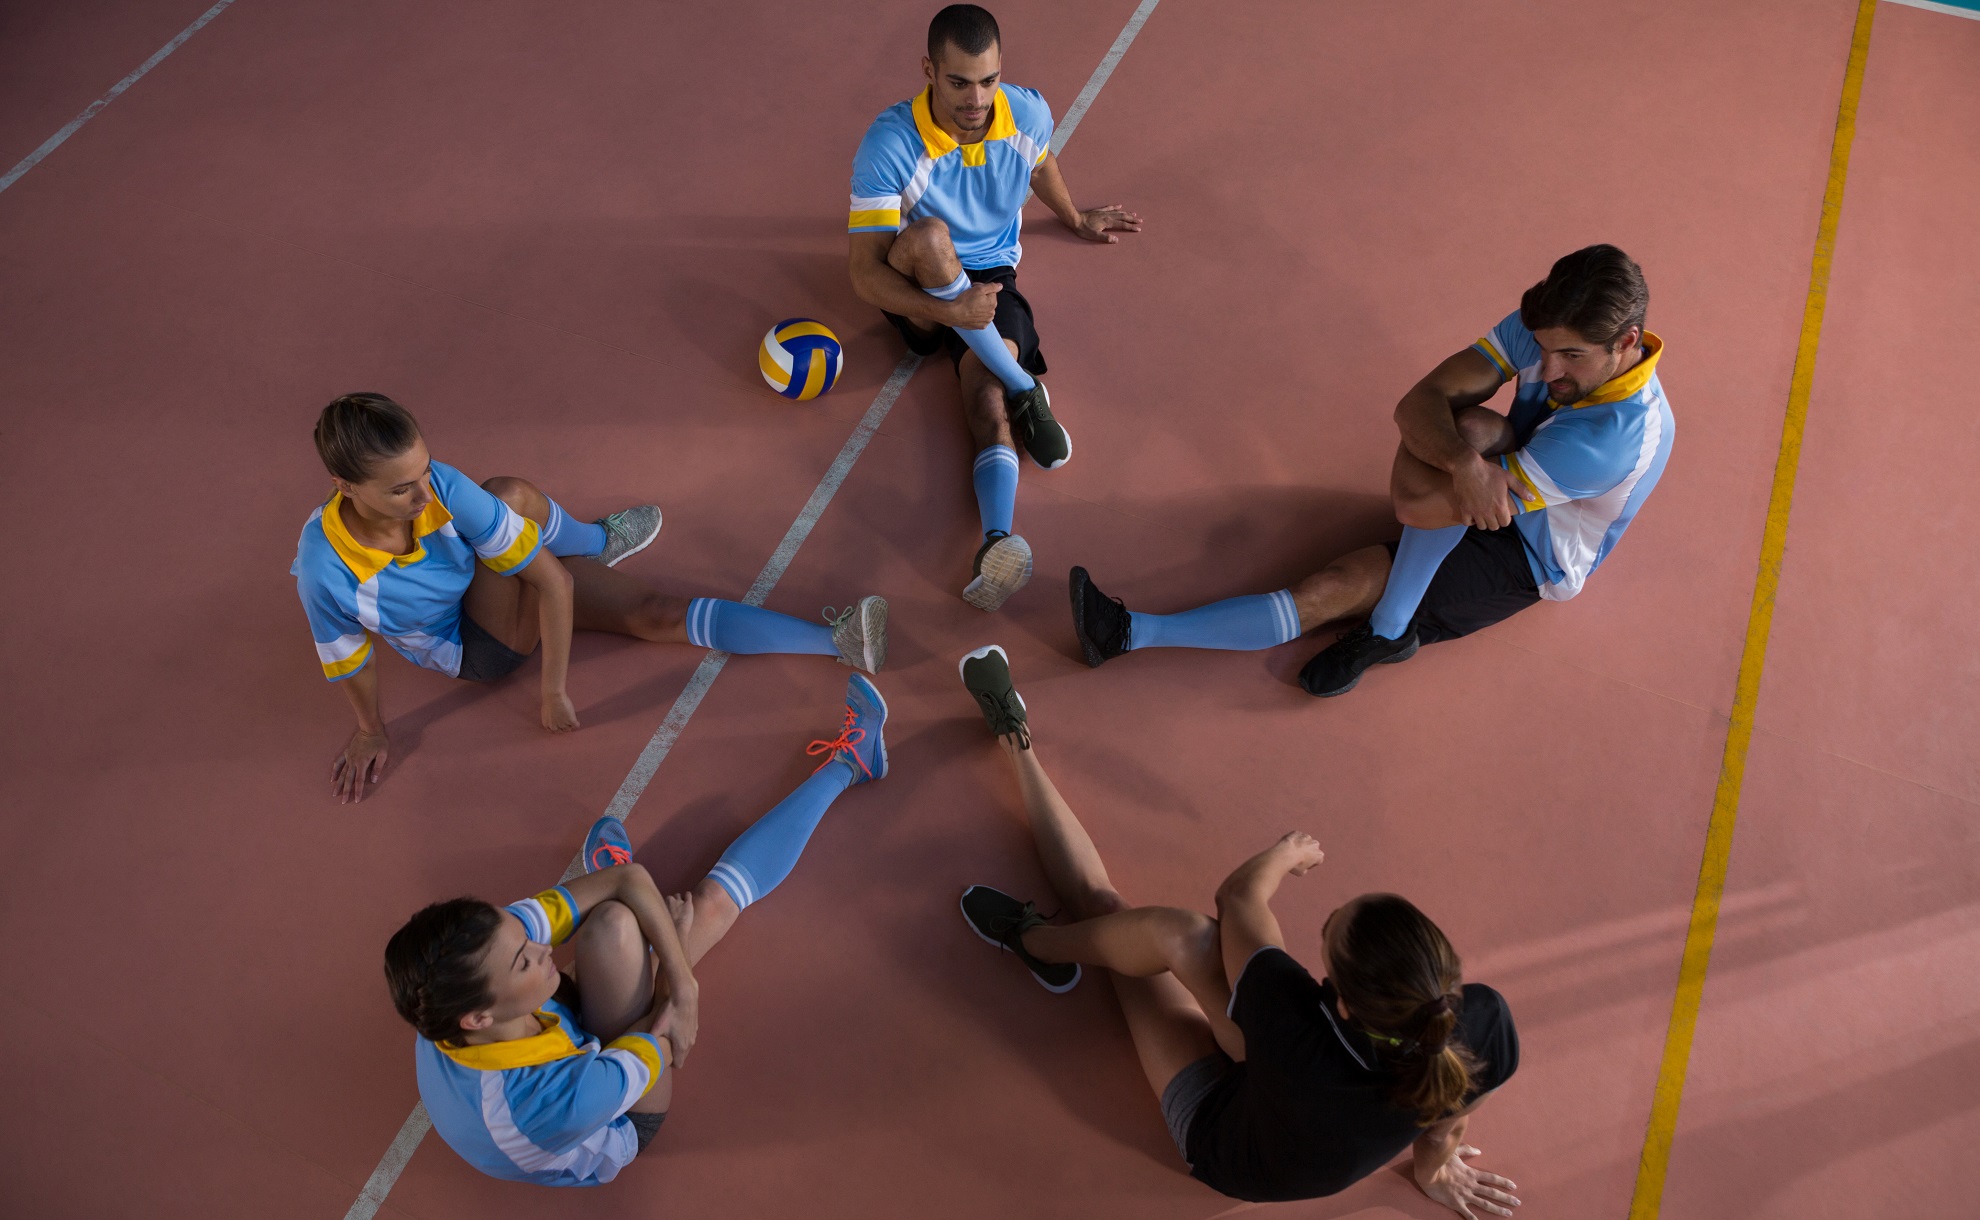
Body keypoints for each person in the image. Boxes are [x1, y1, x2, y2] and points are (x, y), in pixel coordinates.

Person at [953, 645, 1521, 1220]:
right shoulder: (1481, 1025)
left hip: (1228, 1138)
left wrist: (1287, 851)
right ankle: (1017, 748)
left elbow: (1238, 897)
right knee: (1184, 937)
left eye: (1328, 936)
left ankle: (1035, 942)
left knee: (1112, 910)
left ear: (1344, 1006)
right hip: (1290, 1084)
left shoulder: (1291, 1022)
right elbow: (1449, 1122)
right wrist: (1432, 1174)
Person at [1067, 245, 1674, 696]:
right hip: (1515, 463)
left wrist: (1439, 457)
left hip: (1533, 554)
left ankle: (1133, 632)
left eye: (1570, 357)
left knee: (1333, 586)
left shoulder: (1611, 440)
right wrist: (1463, 459)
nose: (1547, 365)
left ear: (1627, 342)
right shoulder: (1548, 329)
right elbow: (1415, 402)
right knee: (1474, 431)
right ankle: (1389, 621)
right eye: (1541, 348)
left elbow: (1416, 504)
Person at [382, 672, 889, 1186]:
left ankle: (635, 932)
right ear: (478, 1018)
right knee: (703, 909)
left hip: (548, 1034)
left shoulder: (453, 988)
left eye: (523, 937)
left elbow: (627, 877)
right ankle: (852, 765)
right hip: (614, 1112)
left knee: (615, 918)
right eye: (524, 960)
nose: (542, 947)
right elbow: (668, 1039)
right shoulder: (553, 1102)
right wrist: (673, 976)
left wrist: (680, 980)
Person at [294, 392, 889, 802]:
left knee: (651, 610)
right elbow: (351, 657)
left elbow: (555, 584)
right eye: (402, 490)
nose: (425, 493)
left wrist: (555, 671)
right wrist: (371, 728)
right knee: (509, 500)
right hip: (474, 646)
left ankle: (836, 641)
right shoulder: (327, 570)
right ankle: (591, 539)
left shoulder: (438, 485)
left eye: (425, 471)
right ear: (344, 487)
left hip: (485, 582)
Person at [847, 4, 1141, 611]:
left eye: (988, 80)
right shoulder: (891, 144)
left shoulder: (1025, 113)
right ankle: (1027, 387)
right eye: (958, 82)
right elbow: (864, 275)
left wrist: (1077, 217)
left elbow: (1041, 163)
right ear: (929, 70)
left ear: (1001, 71)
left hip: (993, 275)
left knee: (985, 398)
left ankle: (996, 542)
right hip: (923, 290)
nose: (975, 98)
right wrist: (954, 314)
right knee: (930, 239)